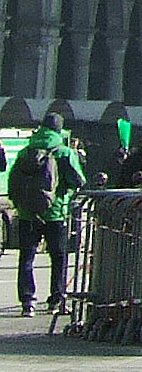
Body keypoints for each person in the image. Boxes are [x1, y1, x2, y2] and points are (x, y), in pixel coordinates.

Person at [9, 116, 85, 316]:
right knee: (58, 257)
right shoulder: (64, 152)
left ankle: (27, 301)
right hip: (55, 212)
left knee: (27, 257)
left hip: (28, 213)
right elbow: (79, 180)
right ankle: (56, 300)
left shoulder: (26, 152)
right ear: (59, 130)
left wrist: (19, 204)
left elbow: (13, 182)